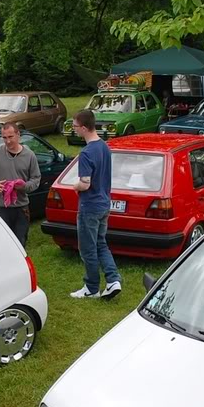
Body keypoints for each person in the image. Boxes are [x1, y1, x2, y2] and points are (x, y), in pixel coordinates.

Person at [69, 109, 121, 299]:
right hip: (104, 204)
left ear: (83, 128)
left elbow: (85, 183)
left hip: (89, 207)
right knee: (101, 243)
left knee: (87, 249)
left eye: (75, 127)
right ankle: (113, 280)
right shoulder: (104, 147)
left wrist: (74, 186)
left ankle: (91, 288)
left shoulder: (86, 153)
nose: (74, 130)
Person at [0, 122, 40, 248]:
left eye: (10, 137)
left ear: (18, 135)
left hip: (21, 208)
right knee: (1, 244)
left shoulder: (29, 156)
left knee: (20, 243)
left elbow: (36, 179)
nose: (7, 141)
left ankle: (21, 267)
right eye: (4, 137)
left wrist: (24, 186)